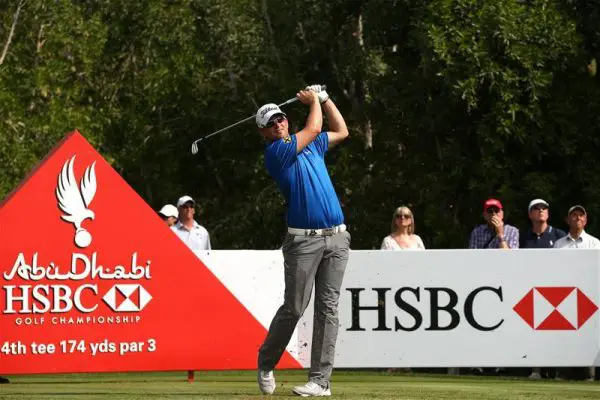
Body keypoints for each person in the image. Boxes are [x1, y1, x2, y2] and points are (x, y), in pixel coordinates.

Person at [256, 85, 350, 397]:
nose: (277, 124)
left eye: (280, 118)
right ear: (264, 133)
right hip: (303, 243)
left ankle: (320, 382)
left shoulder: (312, 147)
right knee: (295, 308)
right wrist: (313, 101)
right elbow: (315, 127)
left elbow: (342, 131)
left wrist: (326, 98)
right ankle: (266, 361)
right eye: (270, 123)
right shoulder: (277, 152)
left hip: (337, 238)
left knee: (328, 309)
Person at [518, 199, 566, 380]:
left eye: (544, 208)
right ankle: (535, 370)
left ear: (548, 213)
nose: (541, 210)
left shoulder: (559, 235)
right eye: (536, 208)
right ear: (530, 214)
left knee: (557, 331)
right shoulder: (524, 236)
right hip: (530, 290)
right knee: (534, 331)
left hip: (555, 290)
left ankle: (558, 371)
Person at [553, 205, 599, 381]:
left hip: (588, 296)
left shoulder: (595, 244)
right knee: (564, 335)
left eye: (581, 215)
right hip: (563, 296)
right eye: (574, 215)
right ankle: (562, 372)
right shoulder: (559, 244)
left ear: (585, 220)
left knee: (588, 335)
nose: (578, 218)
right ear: (567, 220)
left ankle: (589, 374)